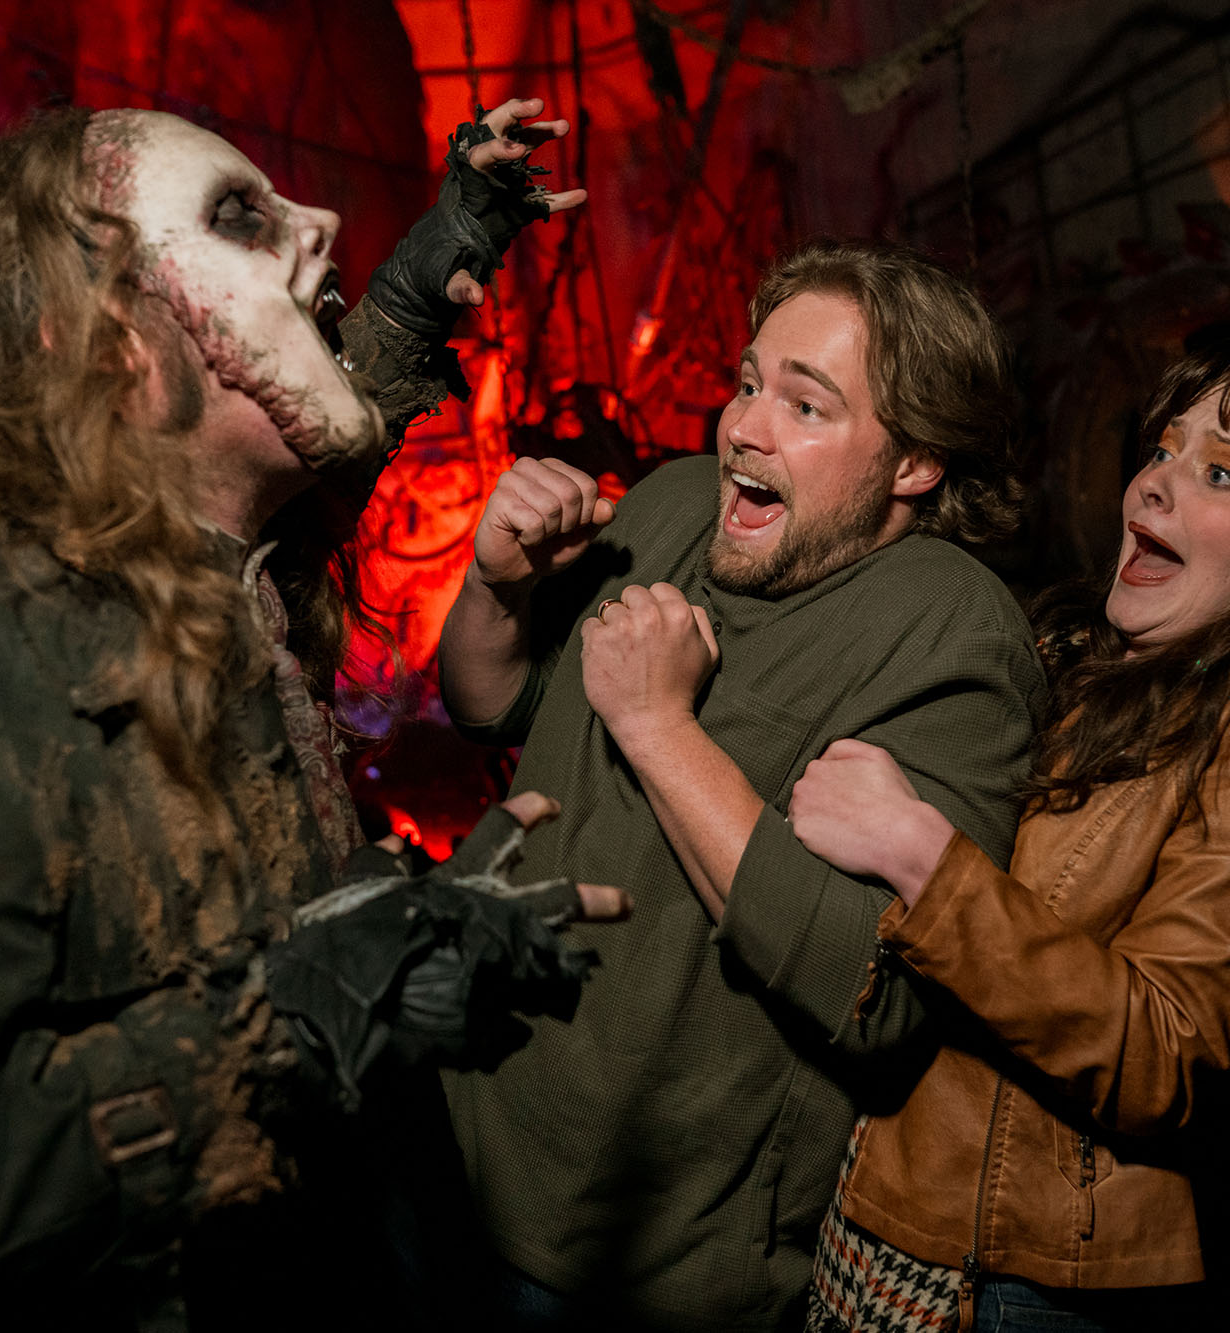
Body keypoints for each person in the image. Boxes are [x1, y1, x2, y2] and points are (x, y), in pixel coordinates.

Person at [0, 99, 617, 1332]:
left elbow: (299, 419)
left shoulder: (169, 557)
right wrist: (295, 1025)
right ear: (95, 339)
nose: (317, 219)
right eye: (238, 217)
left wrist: (422, 277)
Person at [434, 239, 1047, 1330]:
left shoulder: (953, 635)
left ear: (915, 462)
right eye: (749, 383)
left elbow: (872, 992)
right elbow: (492, 705)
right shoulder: (674, 500)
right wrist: (496, 587)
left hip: (632, 1262)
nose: (745, 429)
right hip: (450, 1129)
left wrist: (656, 723)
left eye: (806, 406)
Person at [790, 337, 1230, 1332]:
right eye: (1163, 450)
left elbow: (1166, 1048)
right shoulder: (1072, 650)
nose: (1156, 482)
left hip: (1015, 1277)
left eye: (1221, 473)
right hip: (877, 1212)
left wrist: (917, 852)